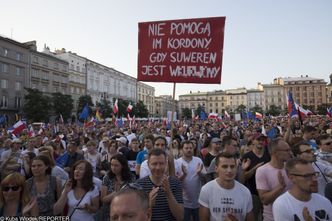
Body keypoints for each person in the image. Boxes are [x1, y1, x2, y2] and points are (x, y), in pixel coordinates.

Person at [199, 152, 254, 221]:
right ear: (216, 169)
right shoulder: (206, 190)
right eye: (224, 166)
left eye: (232, 166)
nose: (229, 170)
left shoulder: (245, 192)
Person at [136, 148, 184, 221]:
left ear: (166, 164)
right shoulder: (139, 185)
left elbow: (180, 217)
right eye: (154, 164)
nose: (158, 168)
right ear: (148, 164)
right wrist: (149, 205)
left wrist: (168, 193)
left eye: (161, 163)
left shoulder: (175, 183)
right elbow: (138, 217)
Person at [255, 138, 293, 221]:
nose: (290, 153)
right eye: (287, 150)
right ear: (275, 152)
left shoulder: (291, 168)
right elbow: (264, 200)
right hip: (272, 218)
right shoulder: (262, 171)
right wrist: (280, 187)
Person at [241, 134, 270, 220]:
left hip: (268, 192)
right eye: (258, 140)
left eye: (262, 140)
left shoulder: (269, 154)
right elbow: (244, 178)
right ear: (253, 141)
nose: (261, 142)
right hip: (253, 193)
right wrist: (254, 169)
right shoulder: (247, 156)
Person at [101, 154, 136, 221]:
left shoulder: (131, 177)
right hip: (109, 213)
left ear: (122, 166)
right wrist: (116, 193)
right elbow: (103, 199)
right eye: (111, 165)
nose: (113, 168)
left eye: (116, 165)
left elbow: (133, 196)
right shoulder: (107, 177)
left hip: (126, 211)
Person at [177, 140, 205, 221]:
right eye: (186, 148)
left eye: (190, 148)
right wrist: (184, 175)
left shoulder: (198, 160)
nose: (189, 150)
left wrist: (199, 173)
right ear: (182, 149)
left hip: (198, 202)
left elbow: (204, 179)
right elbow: (175, 183)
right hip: (183, 202)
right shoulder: (178, 162)